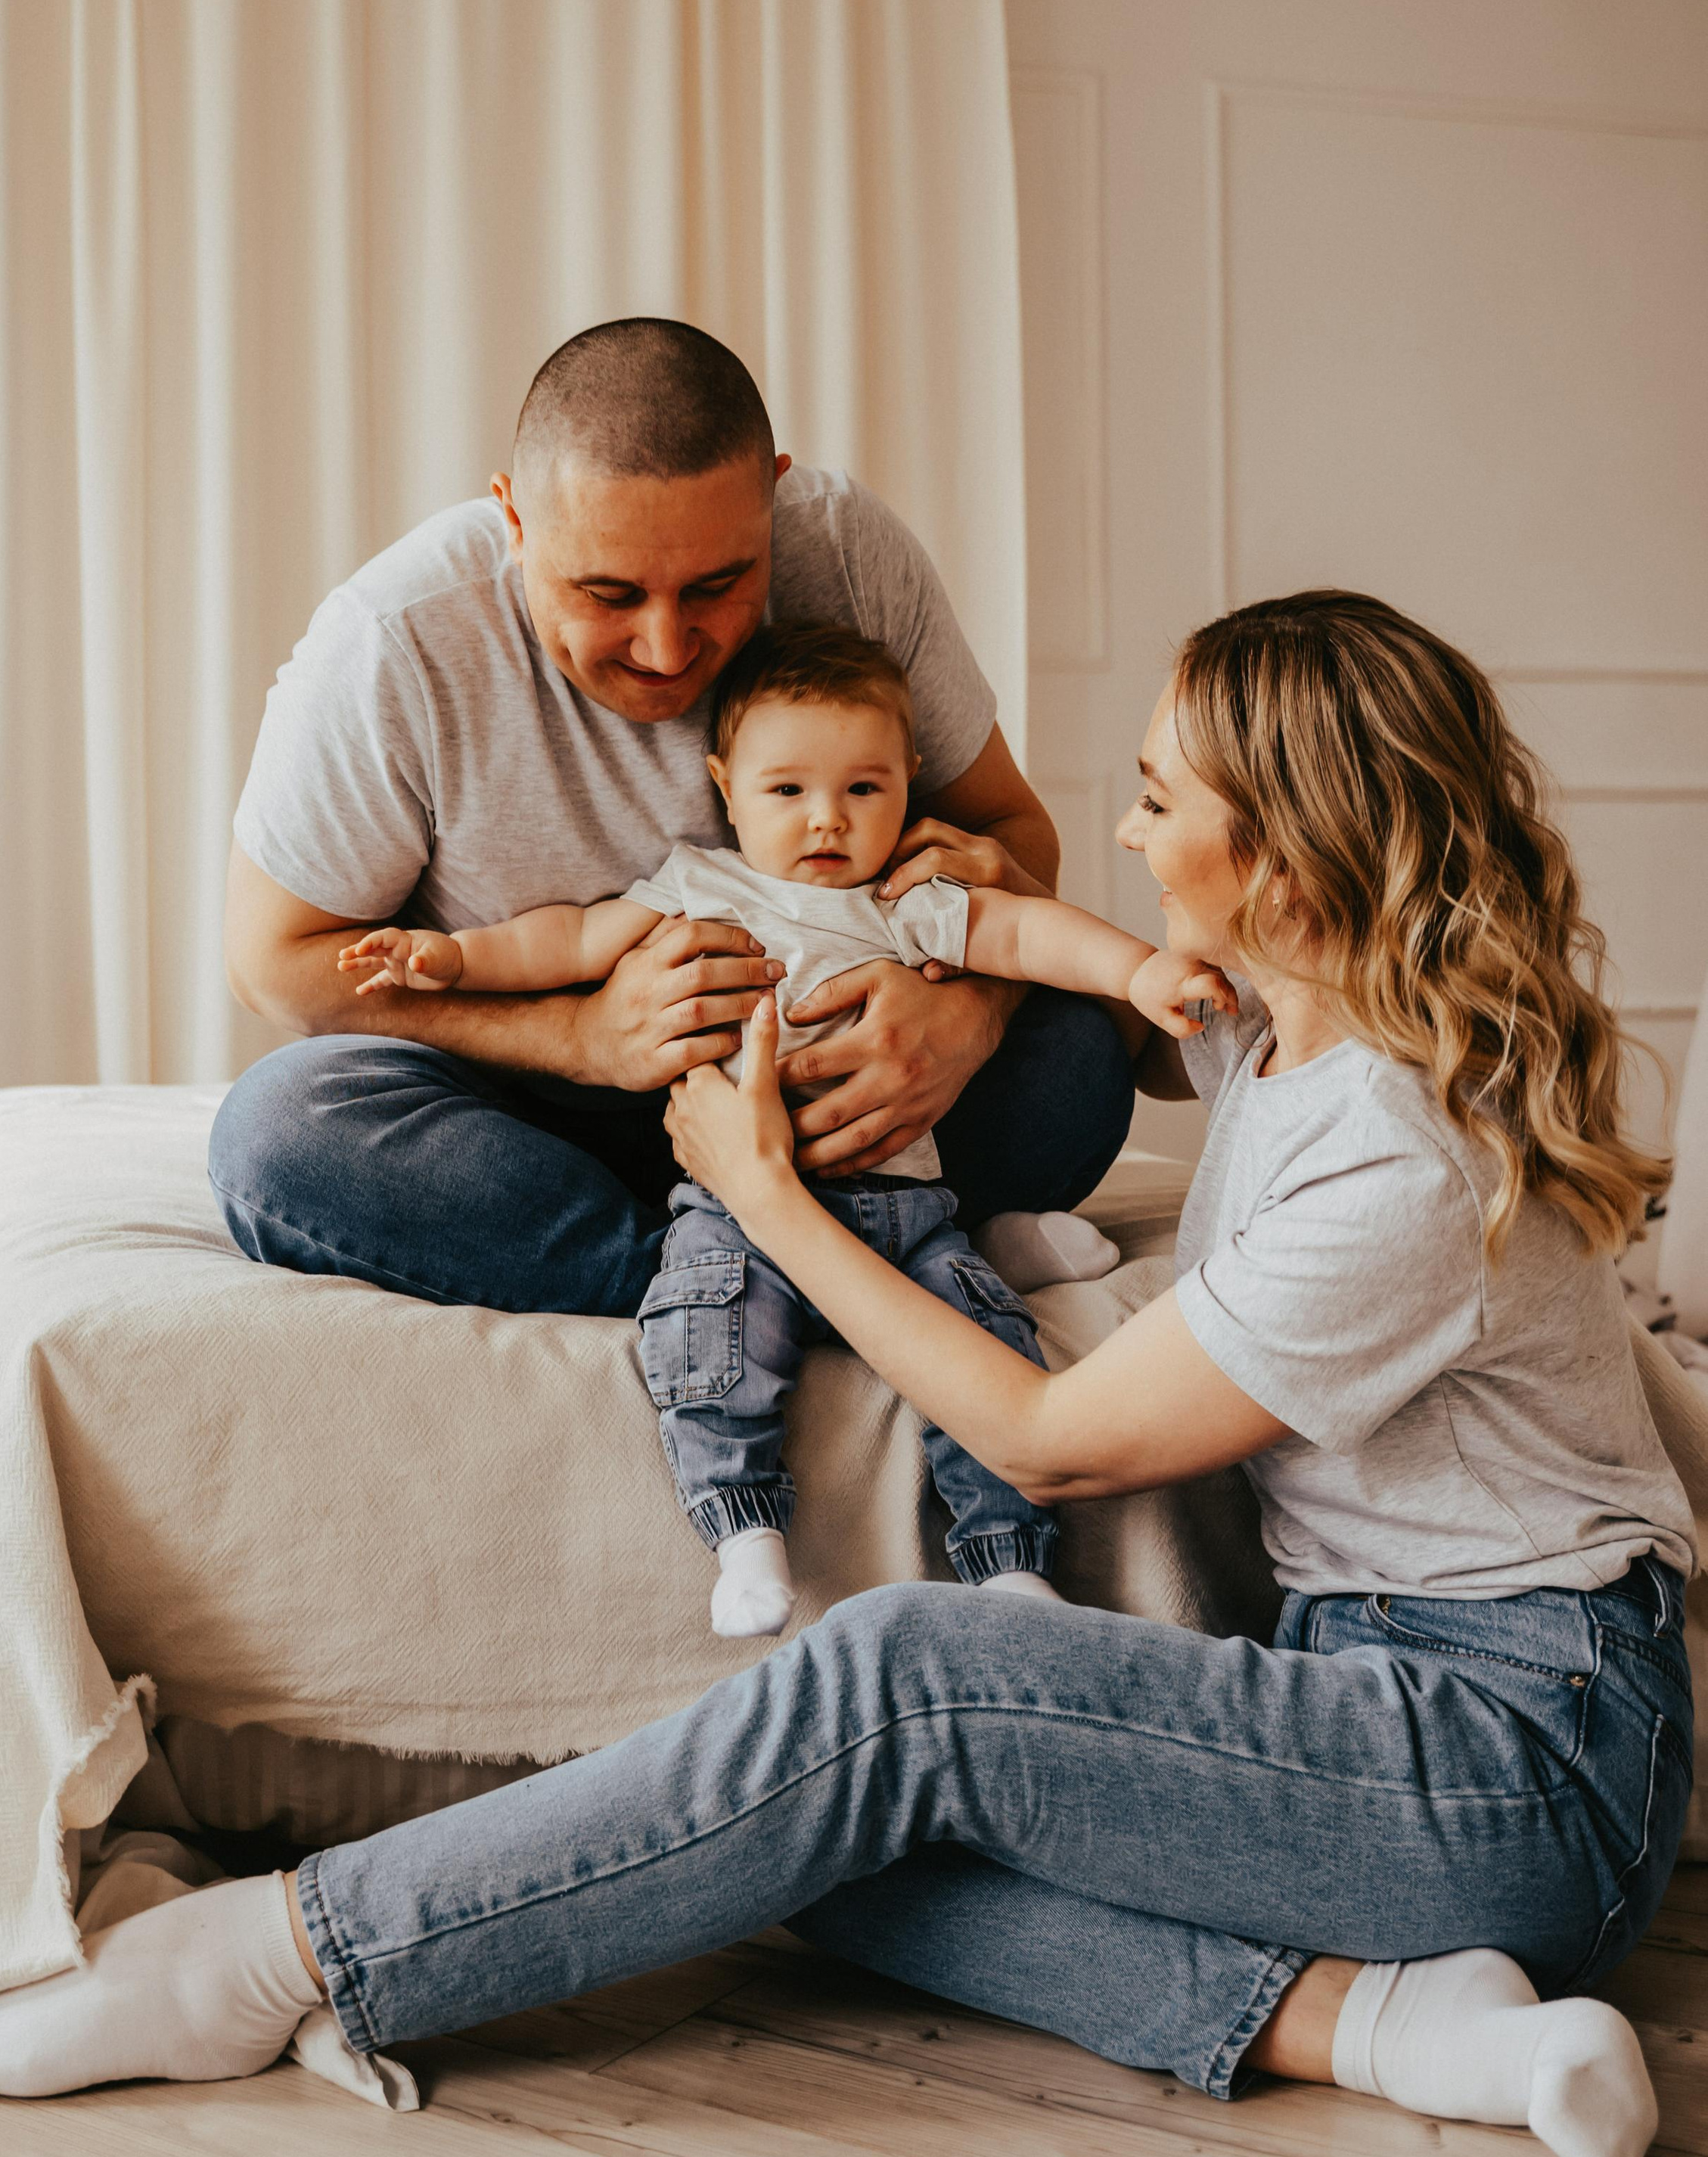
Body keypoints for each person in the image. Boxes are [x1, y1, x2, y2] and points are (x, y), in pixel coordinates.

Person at [0, 595, 1697, 2157]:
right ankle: (1405, 2031)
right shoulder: (1284, 1012)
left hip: (1516, 1754)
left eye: (1161, 801)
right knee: (766, 1820)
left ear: (1288, 867)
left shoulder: (1399, 1152)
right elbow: (1096, 982)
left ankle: (272, 1963)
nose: (1126, 827)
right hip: (1379, 1699)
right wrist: (923, 925)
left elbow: (1043, 1441)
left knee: (891, 1682)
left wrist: (761, 1194)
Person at [208, 318, 1135, 1319]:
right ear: (513, 519)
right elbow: (275, 963)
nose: (663, 648)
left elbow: (1011, 833)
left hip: (830, 1103)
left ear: (773, 500)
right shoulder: (395, 644)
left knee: (1080, 1056)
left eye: (719, 585)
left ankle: (750, 1280)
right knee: (279, 1134)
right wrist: (582, 1036)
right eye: (607, 594)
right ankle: (780, 1277)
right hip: (536, 1120)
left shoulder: (849, 553)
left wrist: (964, 1017)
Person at [338, 621, 1232, 1638]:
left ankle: (1008, 1563)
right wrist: (450, 961)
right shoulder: (700, 887)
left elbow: (1028, 931)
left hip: (902, 1206)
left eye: (864, 789)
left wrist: (1139, 972)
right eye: (787, 791)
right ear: (726, 785)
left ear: (909, 783)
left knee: (984, 1339)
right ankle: (744, 1533)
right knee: (706, 1337)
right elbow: (568, 939)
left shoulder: (908, 897)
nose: (828, 821)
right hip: (736, 1207)